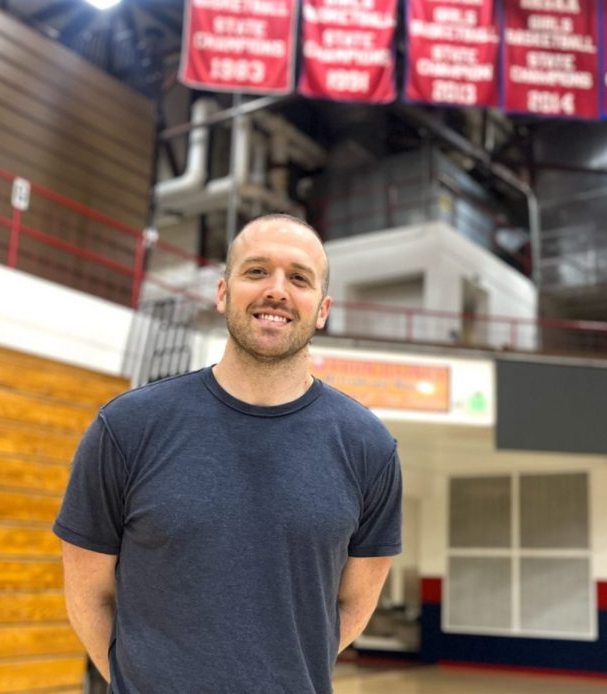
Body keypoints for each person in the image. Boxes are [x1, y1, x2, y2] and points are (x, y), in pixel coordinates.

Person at [53, 213, 402, 693]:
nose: (276, 290)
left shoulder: (369, 448)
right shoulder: (127, 428)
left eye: (298, 278)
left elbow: (353, 606)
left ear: (322, 309)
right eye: (256, 271)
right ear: (222, 293)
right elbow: (89, 596)